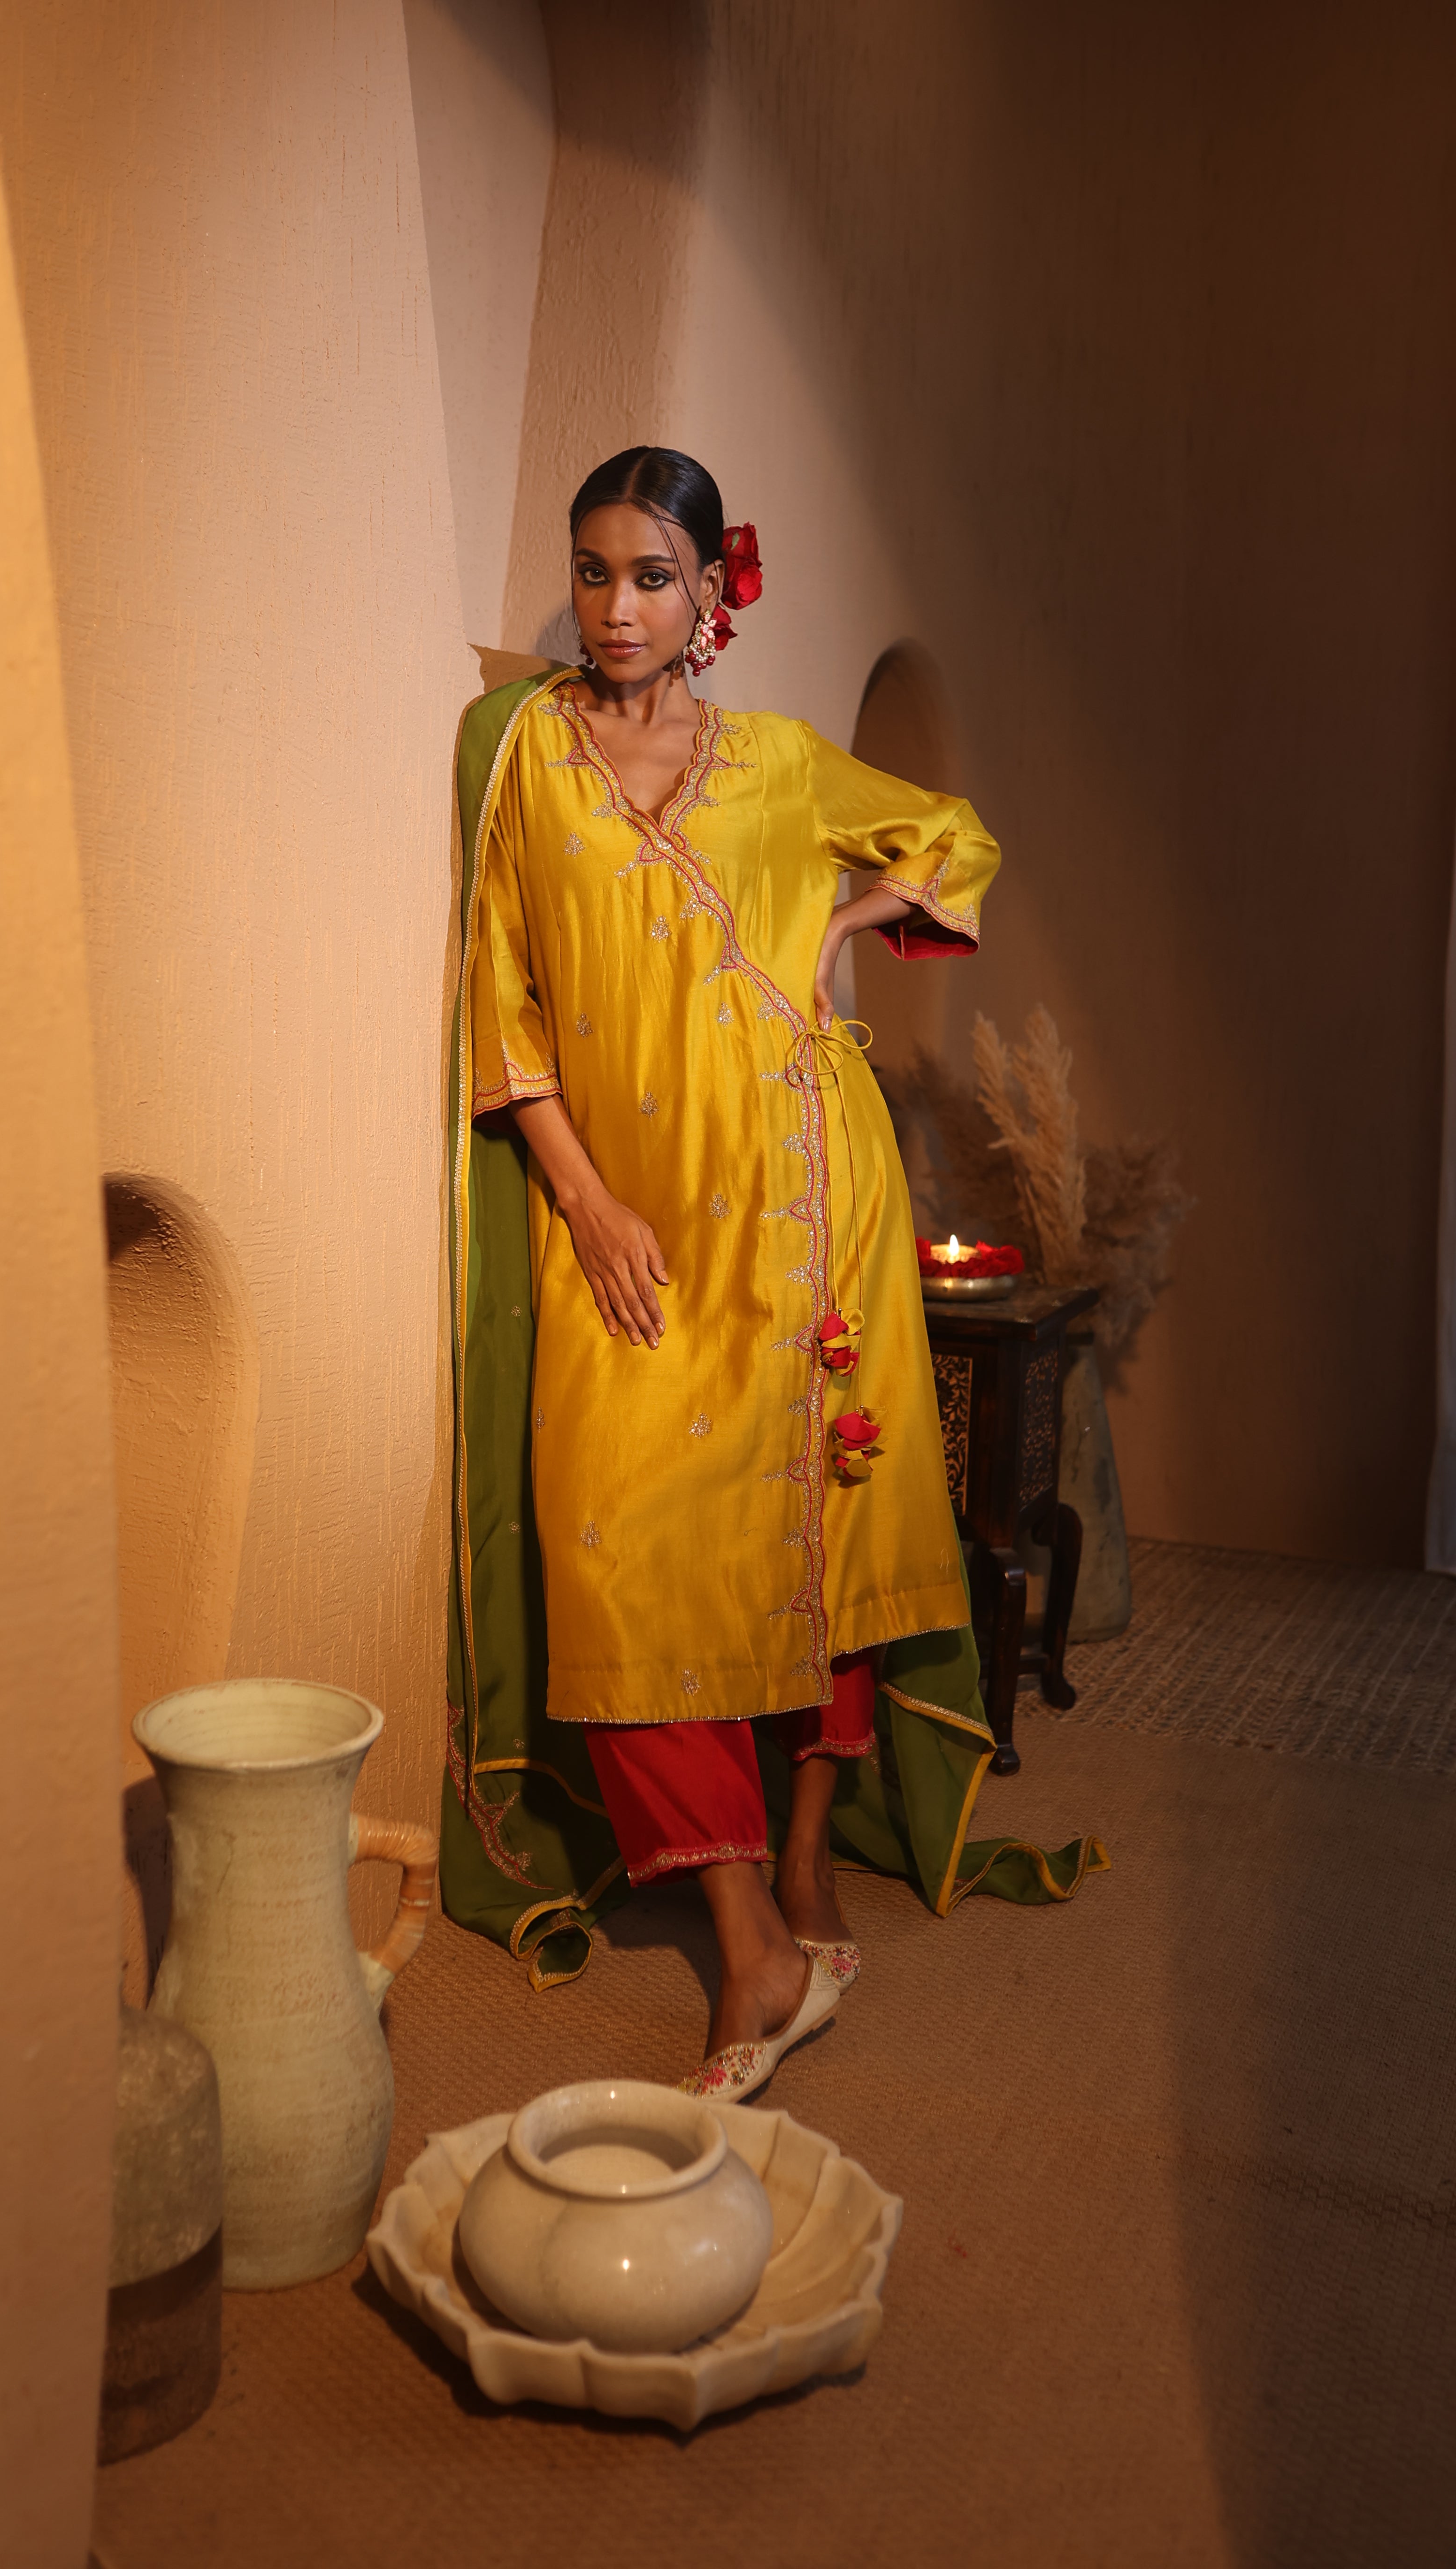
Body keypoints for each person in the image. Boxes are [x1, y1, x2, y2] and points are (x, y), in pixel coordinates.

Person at [442, 446, 1105, 2098]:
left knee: (822, 1518)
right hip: (634, 1214)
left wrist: (841, 924)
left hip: (809, 1198)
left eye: (651, 578)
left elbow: (957, 839)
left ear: (708, 597)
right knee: (616, 1540)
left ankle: (799, 1874)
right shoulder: (526, 760)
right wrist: (587, 1202)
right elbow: (506, 1008)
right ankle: (752, 1936)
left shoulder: (783, 764)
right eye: (593, 574)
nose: (616, 609)